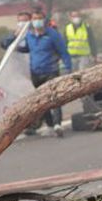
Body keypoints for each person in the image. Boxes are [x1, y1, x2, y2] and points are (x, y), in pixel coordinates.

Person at [19, 8, 71, 137]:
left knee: (54, 98)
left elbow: (63, 52)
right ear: (31, 21)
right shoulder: (29, 35)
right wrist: (12, 43)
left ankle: (58, 123)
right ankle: (50, 124)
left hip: (51, 70)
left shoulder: (52, 34)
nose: (37, 21)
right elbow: (24, 48)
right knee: (42, 101)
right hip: (36, 73)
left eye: (39, 19)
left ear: (44, 20)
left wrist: (69, 69)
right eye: (35, 19)